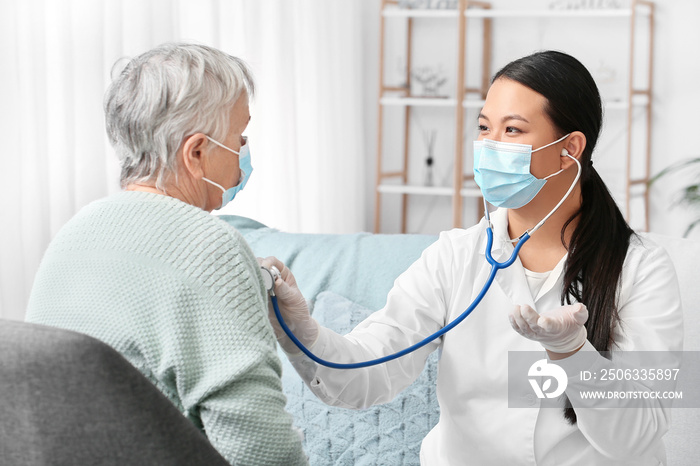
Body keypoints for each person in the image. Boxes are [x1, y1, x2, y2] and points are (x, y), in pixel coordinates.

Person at [261, 51, 683, 465]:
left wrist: (572, 352)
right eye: (484, 128)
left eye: (513, 130)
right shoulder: (455, 256)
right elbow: (368, 374)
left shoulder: (641, 268)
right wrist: (301, 331)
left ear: (569, 148)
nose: (489, 146)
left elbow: (637, 437)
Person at [25, 43, 307, 466]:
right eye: (240, 137)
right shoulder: (214, 249)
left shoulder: (72, 233)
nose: (245, 150)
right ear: (196, 153)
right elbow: (262, 451)